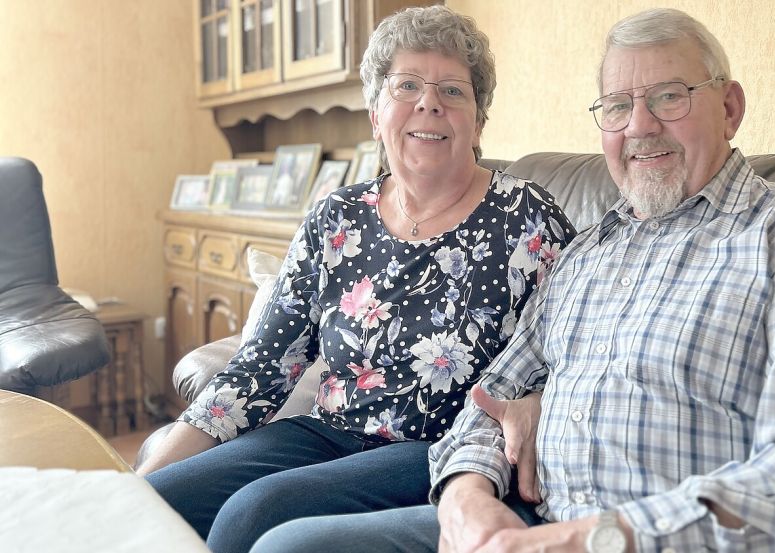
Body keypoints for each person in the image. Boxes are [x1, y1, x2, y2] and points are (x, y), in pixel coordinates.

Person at [250, 7, 775, 553]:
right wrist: (467, 496)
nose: (640, 125)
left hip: (647, 538)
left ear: (728, 108)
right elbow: (491, 400)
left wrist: (587, 538)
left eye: (668, 97)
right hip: (528, 523)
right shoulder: (589, 252)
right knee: (286, 544)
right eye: (617, 106)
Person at [137, 6, 576, 553]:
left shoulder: (527, 217)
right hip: (325, 433)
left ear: (479, 121)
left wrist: (537, 398)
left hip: (439, 448)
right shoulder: (338, 216)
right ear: (375, 114)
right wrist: (139, 481)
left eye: (452, 91)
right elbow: (261, 366)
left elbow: (575, 347)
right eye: (407, 86)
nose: (429, 103)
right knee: (154, 501)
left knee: (252, 513)